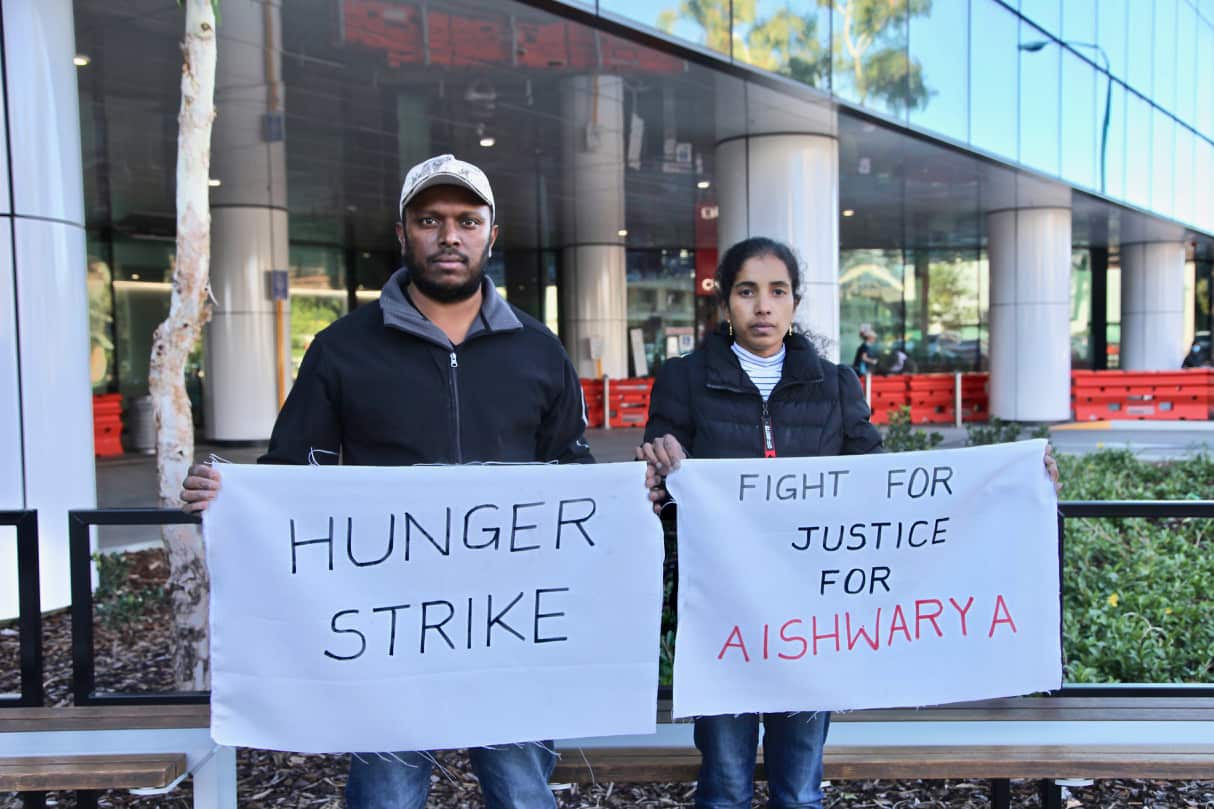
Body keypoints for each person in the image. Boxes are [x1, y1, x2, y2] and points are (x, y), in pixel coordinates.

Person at [180, 153, 591, 809]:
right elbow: (296, 471)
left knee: (520, 788)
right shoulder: (343, 348)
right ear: (403, 233)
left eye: (466, 220)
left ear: (492, 232)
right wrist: (235, 496)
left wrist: (632, 499)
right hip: (388, 624)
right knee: (388, 794)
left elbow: (572, 469)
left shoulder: (539, 350)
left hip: (508, 621)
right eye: (429, 219)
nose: (449, 235)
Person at [636, 237, 1061, 809]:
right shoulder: (683, 379)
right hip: (723, 617)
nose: (762, 306)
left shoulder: (834, 383)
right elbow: (663, 489)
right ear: (724, 302)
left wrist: (1015, 480)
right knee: (725, 787)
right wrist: (657, 468)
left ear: (794, 302)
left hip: (813, 616)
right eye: (747, 291)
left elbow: (882, 487)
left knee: (799, 790)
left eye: (777, 292)